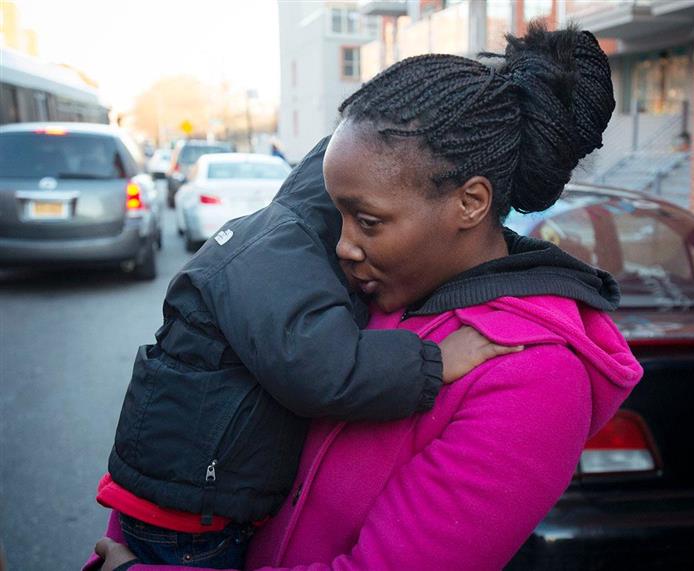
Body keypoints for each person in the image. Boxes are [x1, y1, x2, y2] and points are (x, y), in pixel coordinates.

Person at [90, 23, 643, 571]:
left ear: (471, 203)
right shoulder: (369, 284)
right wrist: (134, 537)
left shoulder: (533, 377)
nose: (343, 245)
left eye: (368, 221)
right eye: (339, 214)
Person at [93, 126, 519, 565]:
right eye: (358, 220)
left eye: (367, 223)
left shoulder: (283, 240)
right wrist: (433, 361)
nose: (350, 246)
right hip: (187, 516)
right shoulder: (281, 257)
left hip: (184, 496)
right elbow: (325, 370)